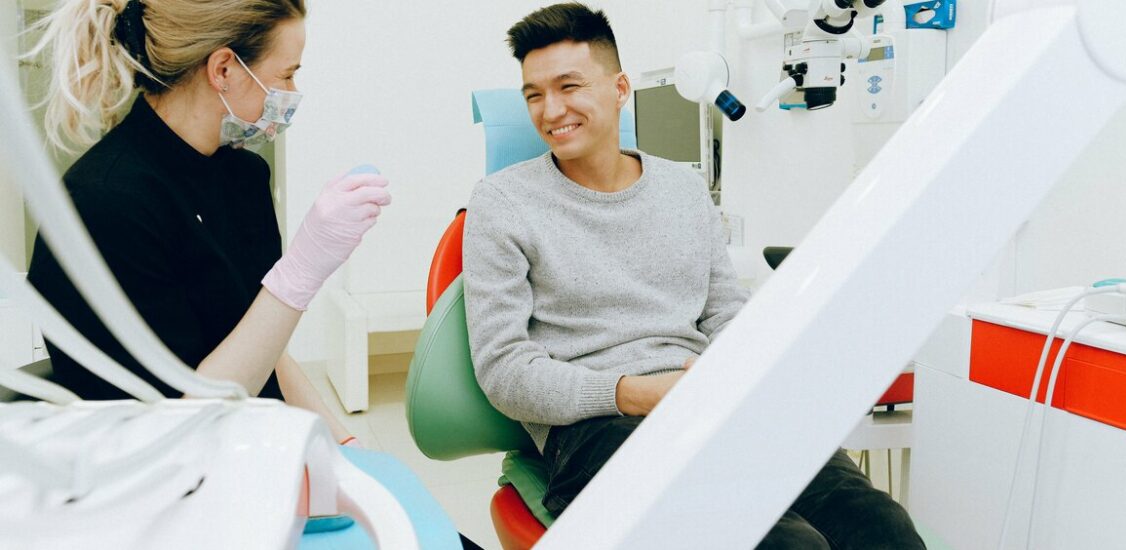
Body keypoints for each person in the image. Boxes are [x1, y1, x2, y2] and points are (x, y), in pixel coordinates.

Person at [462, 3, 925, 548]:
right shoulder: (503, 203)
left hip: (710, 400)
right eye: (534, 95)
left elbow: (725, 310)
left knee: (881, 528)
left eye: (569, 86)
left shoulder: (683, 189)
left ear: (619, 88)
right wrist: (634, 393)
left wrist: (736, 375)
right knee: (789, 545)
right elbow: (503, 369)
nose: (551, 110)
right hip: (597, 424)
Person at [24, 0, 383, 444]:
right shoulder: (104, 205)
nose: (292, 91)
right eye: (286, 74)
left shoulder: (242, 175)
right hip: (156, 474)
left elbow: (259, 342)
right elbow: (182, 426)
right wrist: (301, 272)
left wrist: (339, 443)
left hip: (250, 444)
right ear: (224, 70)